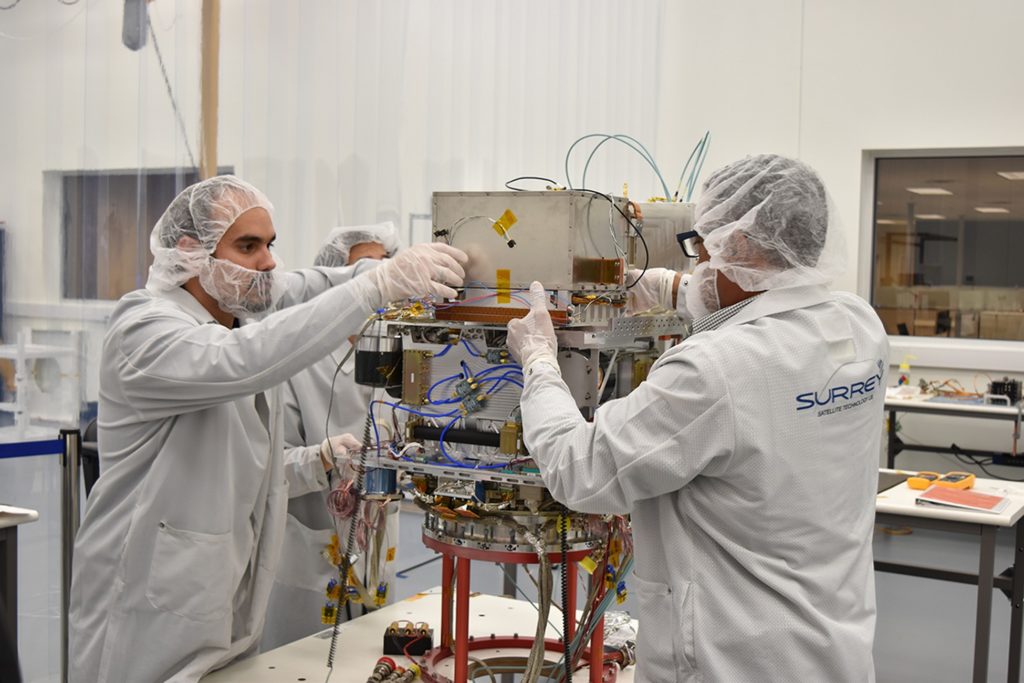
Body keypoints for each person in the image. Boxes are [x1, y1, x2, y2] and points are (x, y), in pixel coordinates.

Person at [68, 176, 467, 683]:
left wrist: (385, 268)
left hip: (223, 605)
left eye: (270, 244)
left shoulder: (234, 314)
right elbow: (244, 362)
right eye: (249, 246)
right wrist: (376, 287)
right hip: (146, 616)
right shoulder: (144, 328)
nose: (269, 261)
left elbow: (311, 284)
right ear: (191, 253)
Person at [507, 155, 886, 682]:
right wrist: (671, 287)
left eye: (702, 248)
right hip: (833, 648)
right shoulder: (859, 327)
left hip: (732, 661)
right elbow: (762, 302)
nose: (698, 264)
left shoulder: (715, 368)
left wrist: (540, 363)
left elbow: (581, 470)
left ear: (743, 247)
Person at [262, 222, 403, 650]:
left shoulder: (396, 349)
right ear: (336, 282)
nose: (380, 280)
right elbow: (265, 470)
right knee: (302, 661)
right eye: (365, 270)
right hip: (312, 543)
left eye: (386, 267)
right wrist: (320, 458)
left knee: (373, 660)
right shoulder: (295, 357)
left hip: (379, 541)